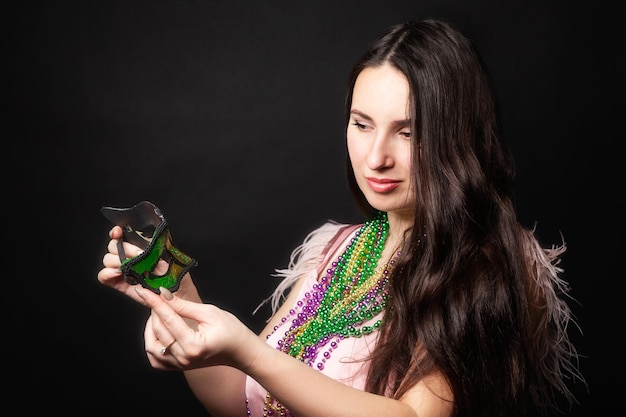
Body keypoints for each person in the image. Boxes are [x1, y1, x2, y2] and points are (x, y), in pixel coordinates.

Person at [98, 19, 584, 417]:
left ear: (458, 136)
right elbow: (242, 401)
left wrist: (248, 350)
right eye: (361, 123)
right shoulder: (339, 249)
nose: (376, 157)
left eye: (408, 132)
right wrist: (179, 299)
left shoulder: (492, 261)